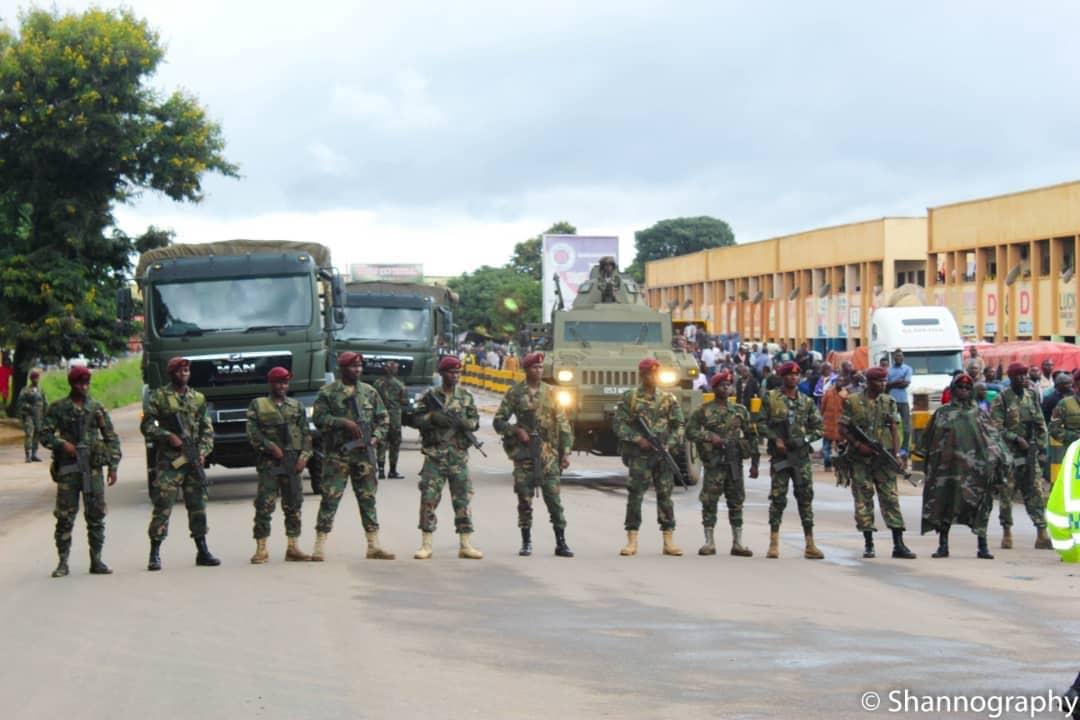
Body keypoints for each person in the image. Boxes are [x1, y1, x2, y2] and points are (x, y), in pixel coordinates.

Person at [311, 352, 393, 562]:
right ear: (342, 368)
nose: (357, 370)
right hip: (338, 455)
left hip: (364, 455)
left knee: (368, 499)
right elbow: (318, 419)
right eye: (352, 366)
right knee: (330, 498)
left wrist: (375, 438)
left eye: (359, 366)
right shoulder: (328, 393)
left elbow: (383, 419)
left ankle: (373, 545)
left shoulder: (369, 392)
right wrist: (342, 423)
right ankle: (319, 545)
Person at [40, 366, 121, 577]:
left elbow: (111, 437)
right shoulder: (59, 408)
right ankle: (62, 562)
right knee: (65, 518)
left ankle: (97, 561)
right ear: (71, 384)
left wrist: (113, 466)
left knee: (96, 517)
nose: (83, 387)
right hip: (69, 469)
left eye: (86, 383)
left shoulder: (96, 408)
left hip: (92, 470)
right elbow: (44, 434)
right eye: (79, 383)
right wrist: (62, 444)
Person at [140, 357, 219, 571]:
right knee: (163, 505)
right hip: (170, 462)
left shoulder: (198, 398)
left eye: (187, 370)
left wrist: (202, 452)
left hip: (192, 462)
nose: (184, 373)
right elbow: (147, 425)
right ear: (171, 373)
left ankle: (202, 550)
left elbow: (207, 429)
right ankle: (154, 552)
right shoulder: (159, 397)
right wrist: (167, 436)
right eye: (180, 370)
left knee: (198, 506)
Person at [493, 352, 574, 557]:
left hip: (548, 454)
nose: (539, 370)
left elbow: (563, 424)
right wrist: (515, 431)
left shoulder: (553, 393)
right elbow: (499, 421)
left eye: (540, 368)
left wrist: (565, 453)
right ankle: (526, 541)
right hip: (524, 454)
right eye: (534, 368)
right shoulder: (515, 393)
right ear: (526, 370)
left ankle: (561, 542)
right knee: (524, 500)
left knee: (554, 501)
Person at [919, 373, 1006, 559]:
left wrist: (998, 461)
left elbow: (994, 440)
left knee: (981, 505)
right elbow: (927, 441)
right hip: (946, 471)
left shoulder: (979, 414)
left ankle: (982, 546)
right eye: (960, 387)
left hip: (974, 472)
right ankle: (943, 545)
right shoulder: (941, 413)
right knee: (944, 504)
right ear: (952, 389)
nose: (964, 391)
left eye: (967, 388)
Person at [839, 366, 916, 559]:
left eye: (884, 380)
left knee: (890, 499)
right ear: (869, 382)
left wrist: (897, 455)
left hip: (883, 459)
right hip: (860, 460)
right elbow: (842, 427)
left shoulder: (889, 402)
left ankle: (898, 544)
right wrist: (858, 444)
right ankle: (869, 543)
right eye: (879, 381)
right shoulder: (853, 401)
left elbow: (894, 429)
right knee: (864, 501)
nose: (883, 384)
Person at [613, 357, 686, 557]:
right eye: (649, 374)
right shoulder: (631, 398)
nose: (653, 377)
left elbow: (679, 425)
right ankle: (632, 540)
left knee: (665, 496)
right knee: (635, 496)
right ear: (642, 375)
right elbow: (619, 424)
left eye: (656, 373)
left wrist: (669, 444)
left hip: (662, 455)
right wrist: (638, 439)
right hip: (640, 455)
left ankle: (668, 540)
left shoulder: (668, 399)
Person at [412, 355, 483, 559]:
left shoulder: (466, 396)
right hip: (435, 456)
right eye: (451, 372)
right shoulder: (430, 396)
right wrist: (432, 417)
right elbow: (415, 419)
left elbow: (475, 421)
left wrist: (466, 424)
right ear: (442, 374)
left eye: (458, 372)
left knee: (463, 500)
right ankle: (426, 544)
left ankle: (465, 544)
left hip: (458, 457)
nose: (455, 376)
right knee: (428, 499)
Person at [686, 371, 758, 557]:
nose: (726, 388)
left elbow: (752, 436)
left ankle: (738, 542)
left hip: (734, 464)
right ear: (714, 388)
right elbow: (690, 432)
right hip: (714, 464)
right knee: (710, 502)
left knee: (736, 502)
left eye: (729, 385)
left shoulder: (740, 411)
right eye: (722, 385)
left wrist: (753, 460)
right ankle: (709, 542)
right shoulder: (703, 410)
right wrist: (709, 437)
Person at [245, 366, 312, 564]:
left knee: (294, 504)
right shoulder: (258, 405)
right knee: (264, 505)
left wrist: (304, 457)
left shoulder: (296, 406)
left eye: (285, 383)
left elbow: (306, 434)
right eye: (278, 382)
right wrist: (270, 446)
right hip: (270, 463)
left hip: (292, 461)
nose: (282, 386)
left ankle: (293, 547)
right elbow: (252, 432)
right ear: (271, 383)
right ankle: (261, 549)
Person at [758, 361, 825, 559]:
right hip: (780, 458)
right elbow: (760, 423)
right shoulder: (771, 398)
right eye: (789, 375)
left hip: (801, 458)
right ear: (782, 376)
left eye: (796, 375)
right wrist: (775, 438)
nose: (793, 378)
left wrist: (803, 439)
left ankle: (810, 544)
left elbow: (819, 428)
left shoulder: (806, 401)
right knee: (778, 499)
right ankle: (774, 543)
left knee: (805, 499)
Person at [989, 362, 1052, 550]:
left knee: (1036, 493)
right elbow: (996, 427)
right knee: (1007, 494)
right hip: (1008, 455)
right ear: (1012, 377)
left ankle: (1042, 533)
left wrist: (1041, 449)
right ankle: (1007, 532)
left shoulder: (1031, 396)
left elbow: (1041, 425)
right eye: (1019, 376)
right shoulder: (1002, 399)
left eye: (1025, 375)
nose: (1023, 378)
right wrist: (1015, 438)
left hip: (1030, 454)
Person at [373, 360, 407, 479]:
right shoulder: (400, 385)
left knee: (381, 443)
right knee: (395, 444)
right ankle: (392, 471)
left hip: (381, 416)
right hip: (395, 418)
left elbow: (373, 399)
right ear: (395, 370)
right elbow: (404, 401)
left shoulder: (377, 383)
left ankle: (381, 470)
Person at [886, 349, 913, 459]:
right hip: (891, 401)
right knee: (890, 425)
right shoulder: (889, 370)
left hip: (903, 400)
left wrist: (892, 384)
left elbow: (905, 384)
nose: (899, 358)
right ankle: (891, 447)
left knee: (906, 426)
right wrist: (898, 381)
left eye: (901, 356)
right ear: (894, 357)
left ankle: (905, 448)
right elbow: (886, 385)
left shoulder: (908, 369)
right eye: (897, 356)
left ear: (903, 357)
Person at [16, 369, 47, 463]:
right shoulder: (25, 390)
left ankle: (34, 454)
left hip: (39, 416)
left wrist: (46, 413)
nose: (37, 380)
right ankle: (28, 454)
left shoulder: (40, 390)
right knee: (29, 434)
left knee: (37, 433)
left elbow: (45, 402)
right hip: (29, 415)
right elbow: (20, 402)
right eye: (35, 378)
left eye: (38, 378)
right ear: (31, 379)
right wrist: (28, 407)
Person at [820, 374, 848, 471]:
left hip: (840, 425)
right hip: (828, 424)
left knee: (841, 447)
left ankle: (840, 466)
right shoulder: (828, 393)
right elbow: (822, 407)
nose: (840, 382)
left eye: (842, 381)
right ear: (835, 382)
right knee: (826, 447)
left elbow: (848, 409)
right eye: (838, 380)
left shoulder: (845, 394)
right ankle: (827, 465)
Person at [1050, 370, 1080, 450]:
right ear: (1077, 383)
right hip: (1074, 451)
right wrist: (1075, 437)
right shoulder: (1064, 403)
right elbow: (1054, 429)